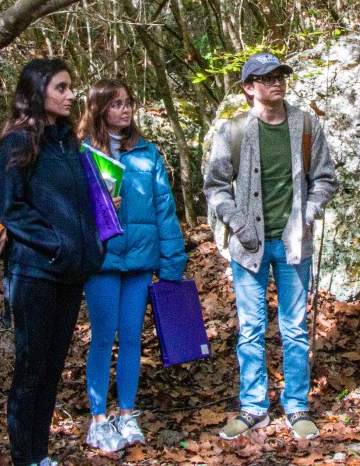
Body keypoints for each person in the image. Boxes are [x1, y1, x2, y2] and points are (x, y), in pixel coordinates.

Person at [204, 53, 339, 441]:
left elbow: (326, 179)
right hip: (249, 247)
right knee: (250, 329)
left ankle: (296, 405)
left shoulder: (306, 124)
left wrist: (307, 214)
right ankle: (253, 407)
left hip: (294, 244)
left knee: (294, 329)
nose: (276, 82)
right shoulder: (233, 130)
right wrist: (238, 223)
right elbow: (215, 186)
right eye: (266, 78)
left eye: (280, 75)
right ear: (248, 87)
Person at [0, 58, 106, 466]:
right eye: (61, 87)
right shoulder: (18, 142)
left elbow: (75, 204)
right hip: (35, 272)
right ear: (37, 90)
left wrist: (94, 230)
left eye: (70, 87)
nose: (70, 95)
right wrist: (55, 244)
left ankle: (39, 455)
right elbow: (11, 208)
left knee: (53, 367)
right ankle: (23, 458)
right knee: (31, 368)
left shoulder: (68, 143)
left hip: (70, 273)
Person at [77, 79, 188, 451]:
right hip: (103, 261)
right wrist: (98, 208)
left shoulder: (146, 152)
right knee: (102, 338)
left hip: (140, 259)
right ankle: (98, 421)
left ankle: (126, 415)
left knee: (131, 339)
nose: (124, 110)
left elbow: (164, 210)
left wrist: (172, 263)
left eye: (128, 102)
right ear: (98, 109)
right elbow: (68, 209)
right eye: (115, 104)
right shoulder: (81, 153)